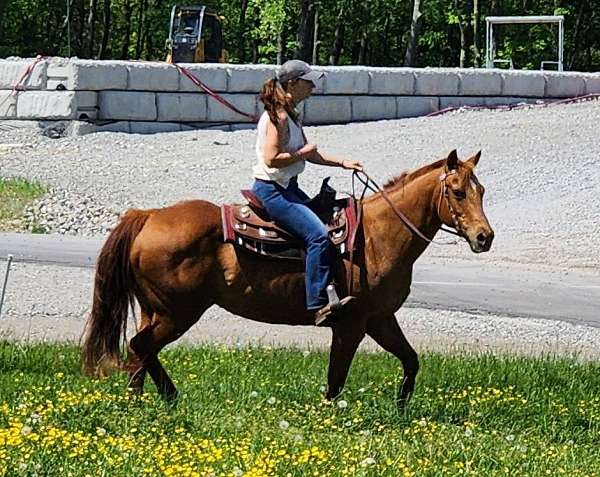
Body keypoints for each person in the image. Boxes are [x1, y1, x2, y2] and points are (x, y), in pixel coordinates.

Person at [250, 59, 363, 325]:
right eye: (308, 81)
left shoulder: (290, 113)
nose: (313, 86)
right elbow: (271, 158)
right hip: (273, 191)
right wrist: (303, 152)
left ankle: (330, 286)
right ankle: (317, 303)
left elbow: (310, 153)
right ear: (292, 84)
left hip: (288, 188)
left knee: (331, 220)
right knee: (319, 236)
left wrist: (343, 162)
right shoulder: (278, 116)